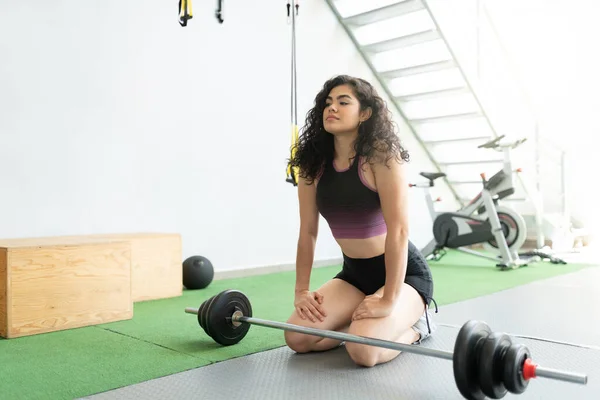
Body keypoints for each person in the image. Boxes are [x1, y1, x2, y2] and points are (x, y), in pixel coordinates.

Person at [285, 75, 437, 368]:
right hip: (355, 276)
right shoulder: (311, 164)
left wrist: (389, 298)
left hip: (403, 276)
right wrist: (301, 291)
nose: (332, 108)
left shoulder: (381, 157)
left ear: (365, 113)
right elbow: (308, 231)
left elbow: (399, 230)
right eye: (328, 103)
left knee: (364, 353)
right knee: (298, 338)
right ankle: (360, 329)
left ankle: (417, 329)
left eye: (344, 102)